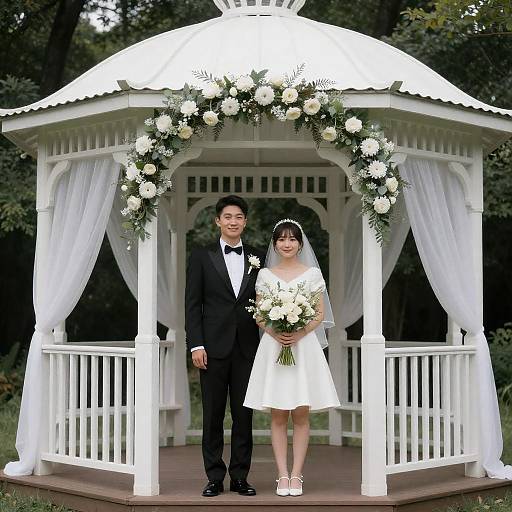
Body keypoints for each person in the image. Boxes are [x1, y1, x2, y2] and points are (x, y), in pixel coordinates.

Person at [243, 219, 340, 497]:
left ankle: (297, 474)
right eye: (282, 239)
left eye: (292, 239)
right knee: (277, 415)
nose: (287, 244)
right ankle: (281, 475)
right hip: (274, 347)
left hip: (303, 347)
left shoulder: (311, 274)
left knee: (300, 413)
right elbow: (260, 313)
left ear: (300, 244)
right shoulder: (265, 275)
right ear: (275, 244)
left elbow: (320, 313)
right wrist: (276, 332)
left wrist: (298, 334)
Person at [185, 195, 266, 498]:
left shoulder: (258, 258)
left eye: (239, 217)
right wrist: (196, 345)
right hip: (212, 349)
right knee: (213, 415)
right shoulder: (201, 257)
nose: (233, 222)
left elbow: (265, 302)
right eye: (227, 217)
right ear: (218, 221)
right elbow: (192, 306)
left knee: (245, 416)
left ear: (245, 221)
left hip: (248, 349)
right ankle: (214, 477)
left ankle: (240, 476)